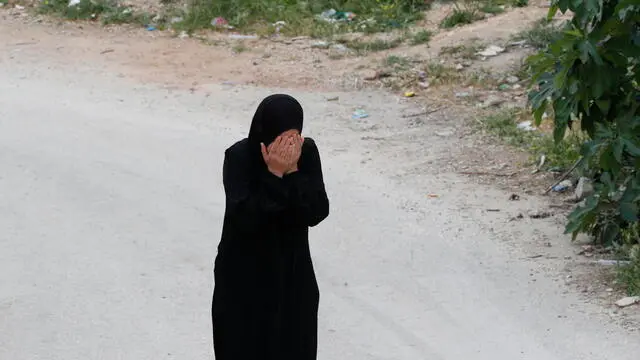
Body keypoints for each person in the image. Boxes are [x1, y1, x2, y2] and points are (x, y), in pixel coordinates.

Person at [211, 94, 330, 360]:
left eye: (293, 137)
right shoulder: (239, 157)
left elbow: (316, 211)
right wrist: (274, 173)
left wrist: (293, 172)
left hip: (292, 278)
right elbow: (246, 218)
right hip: (242, 281)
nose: (287, 146)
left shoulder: (306, 154)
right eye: (280, 138)